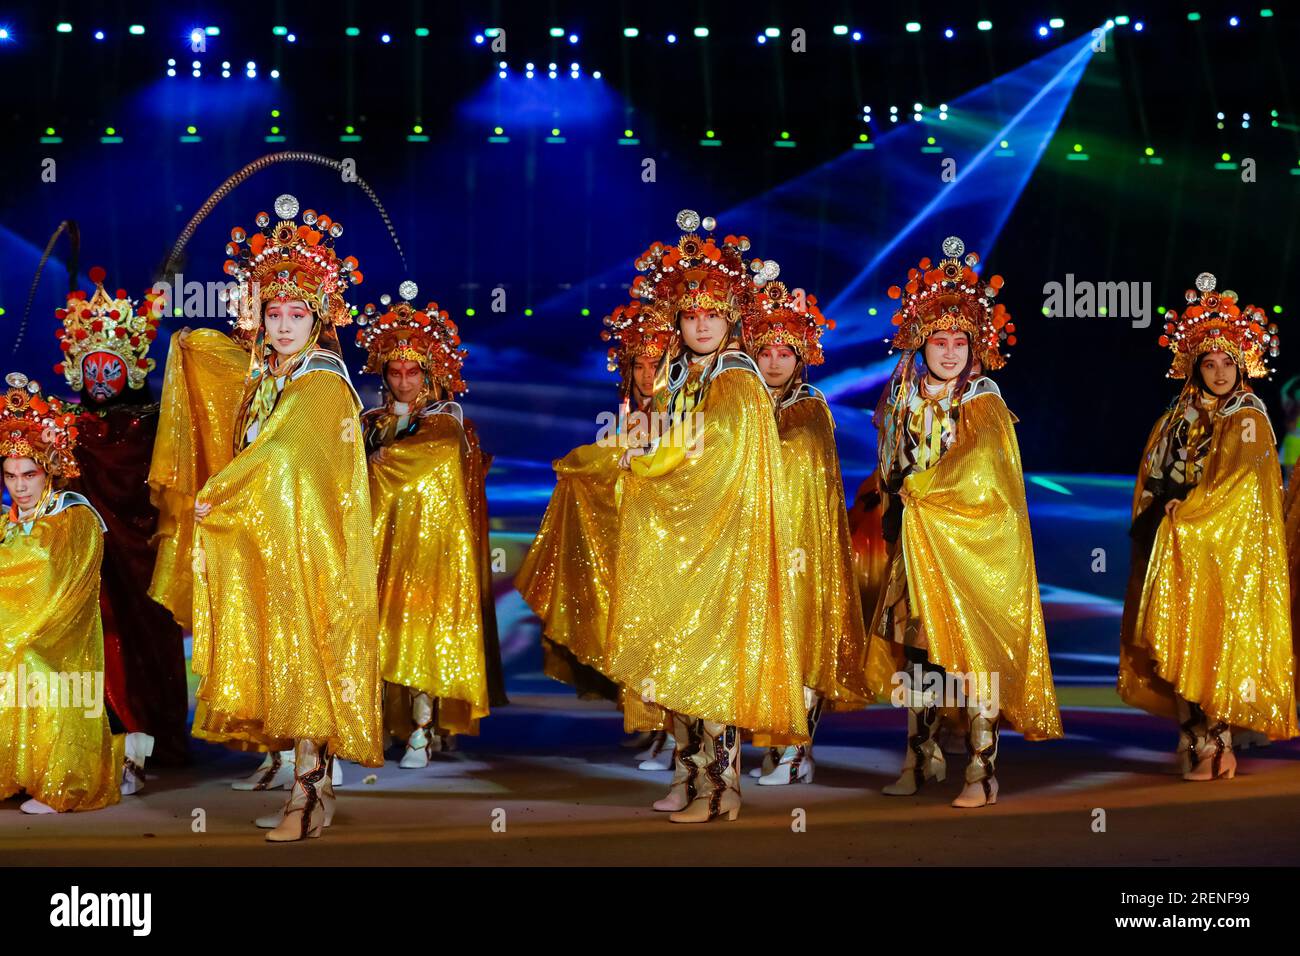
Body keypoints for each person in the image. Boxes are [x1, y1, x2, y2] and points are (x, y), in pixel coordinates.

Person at [189, 193, 383, 841]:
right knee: (289, 661)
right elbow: (227, 385)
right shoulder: (272, 375)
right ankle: (312, 790)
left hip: (315, 550)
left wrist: (222, 488)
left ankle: (307, 796)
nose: (283, 324)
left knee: (308, 662)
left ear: (319, 316)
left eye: (297, 313)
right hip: (278, 543)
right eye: (273, 312)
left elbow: (285, 455)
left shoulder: (323, 380)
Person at [604, 209, 808, 824]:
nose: (699, 325)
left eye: (712, 315)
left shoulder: (739, 376)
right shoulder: (684, 376)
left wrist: (645, 460)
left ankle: (724, 788)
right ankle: (690, 775)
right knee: (679, 657)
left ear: (730, 319)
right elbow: (663, 435)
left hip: (722, 546)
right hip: (683, 541)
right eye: (690, 315)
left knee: (712, 664)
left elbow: (710, 444)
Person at [866, 236, 1063, 808]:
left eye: (960, 341)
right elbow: (891, 463)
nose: (949, 352)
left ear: (974, 345)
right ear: (920, 342)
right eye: (938, 340)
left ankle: (981, 769)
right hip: (914, 542)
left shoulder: (983, 397)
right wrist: (896, 504)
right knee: (922, 658)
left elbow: (982, 468)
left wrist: (924, 490)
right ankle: (920, 756)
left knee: (975, 655)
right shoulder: (902, 394)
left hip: (970, 547)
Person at [1119, 272, 1297, 778]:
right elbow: (1153, 475)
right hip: (1174, 542)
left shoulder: (1249, 415)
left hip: (1221, 547)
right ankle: (1193, 735)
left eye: (1227, 363)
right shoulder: (1178, 414)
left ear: (1242, 365)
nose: (1218, 372)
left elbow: (1244, 483)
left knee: (1213, 637)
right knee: (1179, 635)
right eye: (1209, 362)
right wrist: (1158, 515)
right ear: (1194, 365)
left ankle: (1220, 741)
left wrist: (1194, 511)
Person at [514, 298, 678, 768]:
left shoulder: (682, 409)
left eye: (657, 364)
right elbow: (611, 462)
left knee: (664, 633)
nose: (649, 375)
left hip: (672, 541)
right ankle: (653, 727)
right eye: (639, 365)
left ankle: (674, 735)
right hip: (634, 538)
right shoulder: (630, 412)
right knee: (632, 626)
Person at [52, 268, 186, 791]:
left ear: (130, 370)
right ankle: (105, 740)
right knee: (96, 638)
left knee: (146, 635)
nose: (102, 378)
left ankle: (151, 736)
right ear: (76, 371)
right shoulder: (64, 425)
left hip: (142, 555)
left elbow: (165, 483)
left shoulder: (153, 423)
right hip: (87, 558)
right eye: (93, 368)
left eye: (113, 367)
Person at [354, 283, 491, 767]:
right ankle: (380, 722)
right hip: (376, 545)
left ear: (430, 373)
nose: (404, 381)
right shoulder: (367, 421)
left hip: (428, 552)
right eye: (395, 371)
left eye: (414, 371)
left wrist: (384, 458)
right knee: (372, 631)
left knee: (420, 633)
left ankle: (422, 727)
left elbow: (427, 467)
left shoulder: (447, 423)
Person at [741, 280, 869, 786]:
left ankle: (799, 752)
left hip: (801, 551)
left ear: (803, 358)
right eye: (765, 352)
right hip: (757, 548)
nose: (774, 363)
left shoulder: (811, 408)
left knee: (801, 646)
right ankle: (776, 745)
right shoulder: (743, 403)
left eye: (785, 353)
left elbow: (795, 464)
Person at [0, 372, 123, 813]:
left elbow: (62, 586)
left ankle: (62, 781)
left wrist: (17, 629)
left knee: (30, 659)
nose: (20, 486)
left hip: (59, 635)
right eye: (11, 475)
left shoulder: (74, 517)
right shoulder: (8, 518)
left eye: (29, 474)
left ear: (49, 469)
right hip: (18, 626)